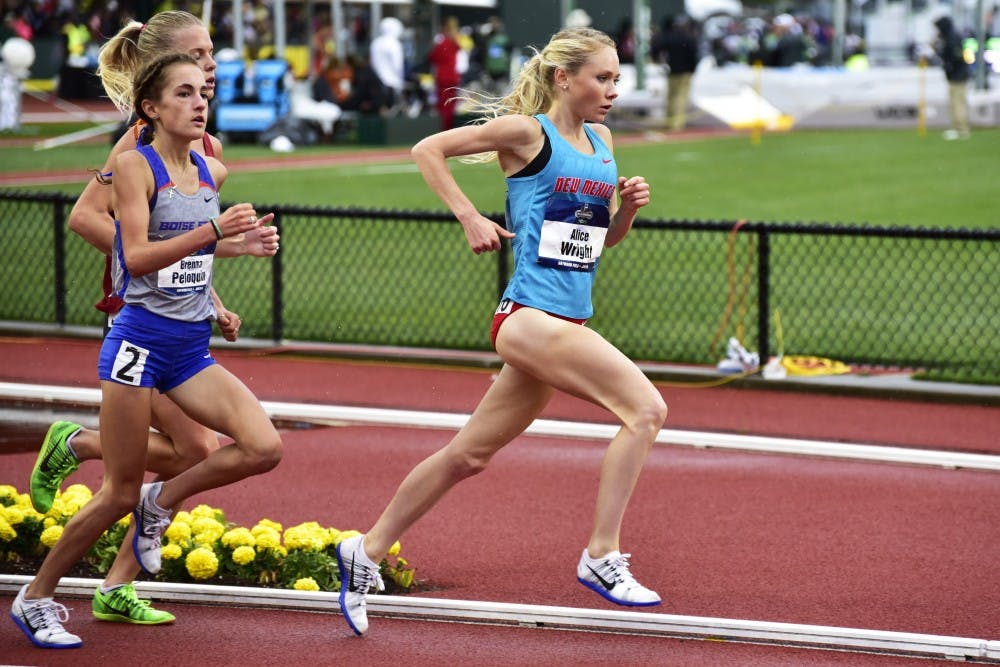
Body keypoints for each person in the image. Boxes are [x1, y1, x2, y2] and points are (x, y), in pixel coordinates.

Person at [335, 27, 666, 637]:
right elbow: (426, 149)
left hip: (564, 319)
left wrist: (629, 212)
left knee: (469, 455)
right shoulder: (527, 133)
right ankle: (601, 556)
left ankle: (366, 549)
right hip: (528, 319)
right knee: (645, 410)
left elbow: (595, 247)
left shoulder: (602, 140)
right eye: (602, 77)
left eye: (617, 79)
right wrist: (468, 216)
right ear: (564, 78)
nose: (613, 90)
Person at [11, 53, 284, 650]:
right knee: (116, 491)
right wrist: (216, 233)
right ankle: (36, 599)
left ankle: (162, 502)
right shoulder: (135, 167)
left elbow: (184, 256)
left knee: (264, 447)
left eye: (201, 94)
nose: (198, 102)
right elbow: (135, 257)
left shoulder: (214, 172)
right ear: (151, 108)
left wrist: (227, 271)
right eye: (183, 94)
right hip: (138, 345)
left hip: (190, 349)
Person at [652, 15, 700, 132]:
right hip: (685, 71)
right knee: (681, 97)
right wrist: (693, 68)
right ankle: (676, 124)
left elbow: (655, 48)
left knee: (671, 97)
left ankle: (670, 121)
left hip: (672, 70)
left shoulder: (667, 37)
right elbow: (694, 53)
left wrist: (659, 61)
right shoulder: (687, 37)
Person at [933, 15, 971, 140]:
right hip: (957, 74)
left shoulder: (952, 37)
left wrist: (948, 64)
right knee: (958, 101)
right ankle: (961, 128)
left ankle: (960, 128)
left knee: (957, 102)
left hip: (957, 75)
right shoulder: (951, 36)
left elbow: (954, 57)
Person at [428, 16, 463, 130]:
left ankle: (445, 131)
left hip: (443, 78)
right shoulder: (455, 42)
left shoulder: (443, 43)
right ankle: (448, 130)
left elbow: (432, 57)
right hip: (453, 77)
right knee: (450, 107)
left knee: (444, 108)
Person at [369, 16, 406, 112]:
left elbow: (373, 63)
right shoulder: (394, 43)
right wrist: (401, 82)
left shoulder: (375, 42)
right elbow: (398, 66)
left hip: (376, 82)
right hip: (393, 84)